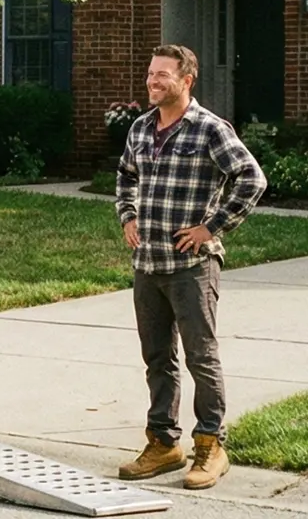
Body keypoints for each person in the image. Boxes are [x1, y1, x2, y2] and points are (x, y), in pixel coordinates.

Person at [114, 44, 267, 490]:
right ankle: (163, 444)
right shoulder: (141, 127)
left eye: (163, 75)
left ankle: (211, 446)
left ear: (186, 80)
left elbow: (252, 179)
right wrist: (128, 215)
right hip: (148, 264)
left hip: (192, 267)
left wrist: (211, 227)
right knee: (158, 358)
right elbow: (125, 175)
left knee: (201, 358)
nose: (153, 81)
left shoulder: (209, 129)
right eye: (151, 73)